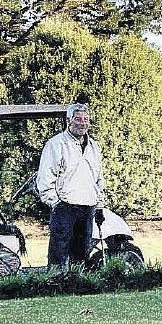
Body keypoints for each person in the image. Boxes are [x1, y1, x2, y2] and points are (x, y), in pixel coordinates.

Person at [36, 103, 104, 268]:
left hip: (88, 207)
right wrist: (55, 203)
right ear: (68, 121)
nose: (82, 123)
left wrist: (100, 205)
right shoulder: (55, 144)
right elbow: (45, 178)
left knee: (81, 254)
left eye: (86, 119)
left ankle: (78, 287)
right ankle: (56, 286)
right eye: (78, 119)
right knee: (58, 254)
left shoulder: (94, 147)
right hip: (64, 207)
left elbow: (98, 178)